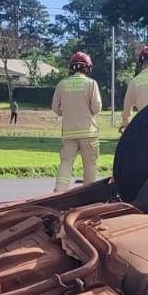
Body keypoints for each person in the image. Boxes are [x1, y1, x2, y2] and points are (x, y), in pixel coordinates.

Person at [51, 51, 102, 191]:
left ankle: (59, 191)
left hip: (69, 133)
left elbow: (55, 107)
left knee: (66, 163)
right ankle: (89, 194)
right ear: (87, 68)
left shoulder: (62, 84)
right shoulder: (91, 84)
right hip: (88, 133)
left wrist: (66, 113)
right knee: (90, 165)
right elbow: (97, 108)